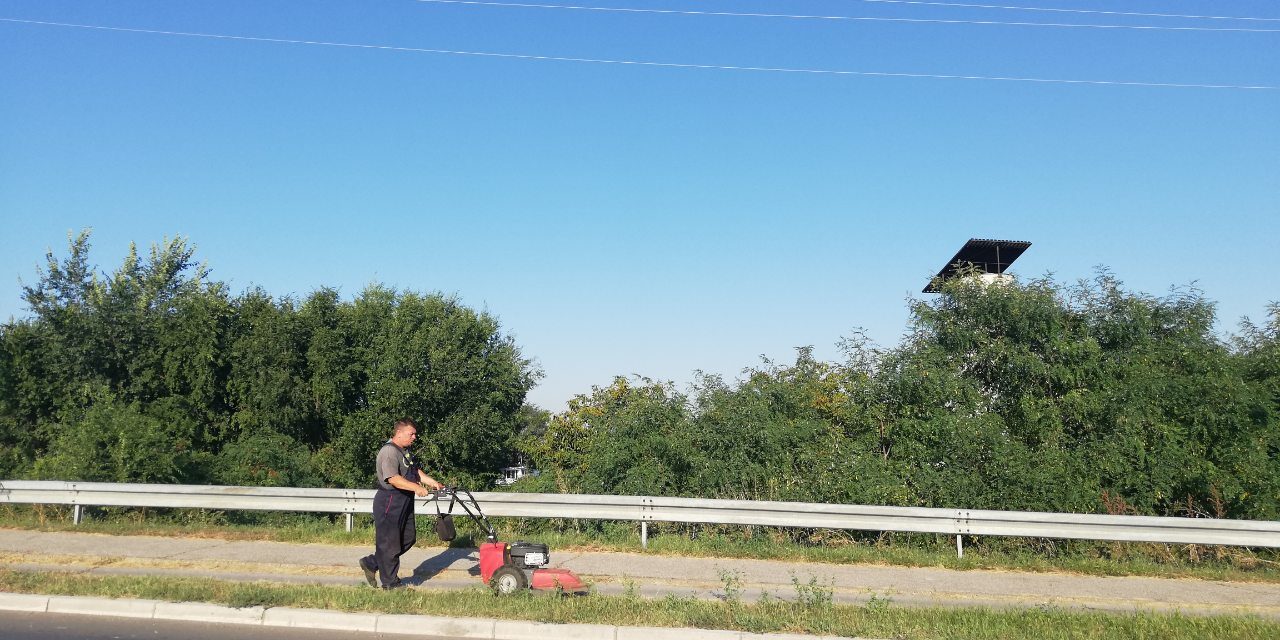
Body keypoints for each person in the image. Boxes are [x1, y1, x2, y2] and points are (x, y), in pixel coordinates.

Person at [359, 418, 444, 589]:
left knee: (408, 538)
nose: (414, 437)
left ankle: (372, 562)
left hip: (404, 500)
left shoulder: (404, 451)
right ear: (398, 433)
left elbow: (414, 471)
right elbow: (393, 479)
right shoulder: (389, 452)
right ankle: (391, 584)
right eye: (411, 434)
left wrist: (431, 482)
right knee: (390, 543)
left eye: (415, 434)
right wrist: (416, 488)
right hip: (390, 500)